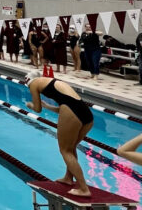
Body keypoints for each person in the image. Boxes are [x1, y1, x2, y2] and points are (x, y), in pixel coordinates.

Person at [25, 69, 94, 197]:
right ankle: (68, 178)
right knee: (71, 148)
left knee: (65, 150)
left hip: (73, 111)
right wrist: (48, 106)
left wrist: (31, 105)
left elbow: (37, 109)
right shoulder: (51, 81)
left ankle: (84, 189)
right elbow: (66, 107)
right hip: (86, 114)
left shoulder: (34, 84)